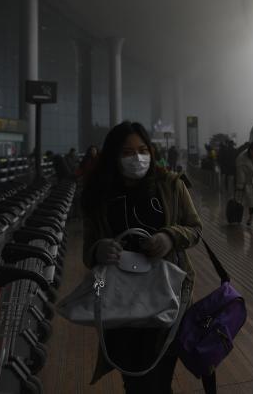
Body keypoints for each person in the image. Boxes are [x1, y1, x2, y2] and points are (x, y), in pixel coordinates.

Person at [80, 121, 210, 393]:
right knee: (135, 381)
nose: (137, 158)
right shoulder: (98, 195)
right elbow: (88, 251)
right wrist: (98, 251)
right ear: (113, 156)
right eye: (127, 152)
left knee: (157, 380)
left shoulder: (171, 184)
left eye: (142, 150)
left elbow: (195, 229)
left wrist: (170, 236)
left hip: (167, 298)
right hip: (120, 305)